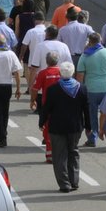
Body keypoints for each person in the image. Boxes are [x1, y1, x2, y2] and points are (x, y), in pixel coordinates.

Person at [40, 62, 91, 192]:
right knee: (73, 152)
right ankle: (74, 181)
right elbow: (87, 109)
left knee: (59, 155)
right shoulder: (82, 88)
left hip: (57, 127)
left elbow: (46, 109)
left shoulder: (53, 89)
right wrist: (88, 126)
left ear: (60, 73)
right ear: (73, 73)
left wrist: (42, 122)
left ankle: (64, 184)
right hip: (75, 127)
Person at [78, 34, 106, 146]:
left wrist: (80, 90)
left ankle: (93, 138)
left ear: (89, 42)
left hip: (91, 89)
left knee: (92, 114)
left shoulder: (85, 55)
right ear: (101, 41)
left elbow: (80, 76)